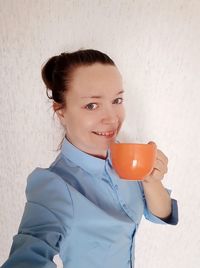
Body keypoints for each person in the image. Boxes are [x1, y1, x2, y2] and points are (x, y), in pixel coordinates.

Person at [1, 49, 178, 268]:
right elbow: (27, 258)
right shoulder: (53, 186)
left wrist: (151, 180)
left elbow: (161, 214)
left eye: (117, 100)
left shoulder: (127, 156)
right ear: (61, 111)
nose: (112, 118)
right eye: (92, 105)